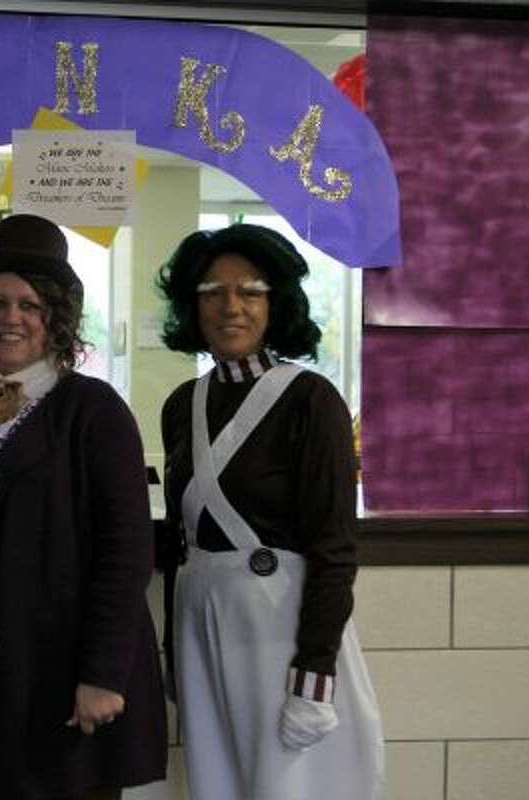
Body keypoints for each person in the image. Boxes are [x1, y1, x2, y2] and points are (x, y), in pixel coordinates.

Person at [0, 214, 168, 800]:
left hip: (59, 686)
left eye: (29, 303)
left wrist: (101, 674)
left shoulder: (91, 411)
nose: (11, 317)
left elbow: (125, 553)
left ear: (55, 318)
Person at [155, 223, 384, 800]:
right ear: (193, 304)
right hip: (201, 624)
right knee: (219, 785)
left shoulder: (311, 399)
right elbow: (176, 543)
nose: (230, 306)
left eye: (250, 290)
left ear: (274, 302)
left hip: (283, 629)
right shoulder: (183, 405)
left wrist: (314, 673)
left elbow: (334, 547)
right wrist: (170, 655)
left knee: (294, 786)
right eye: (212, 291)